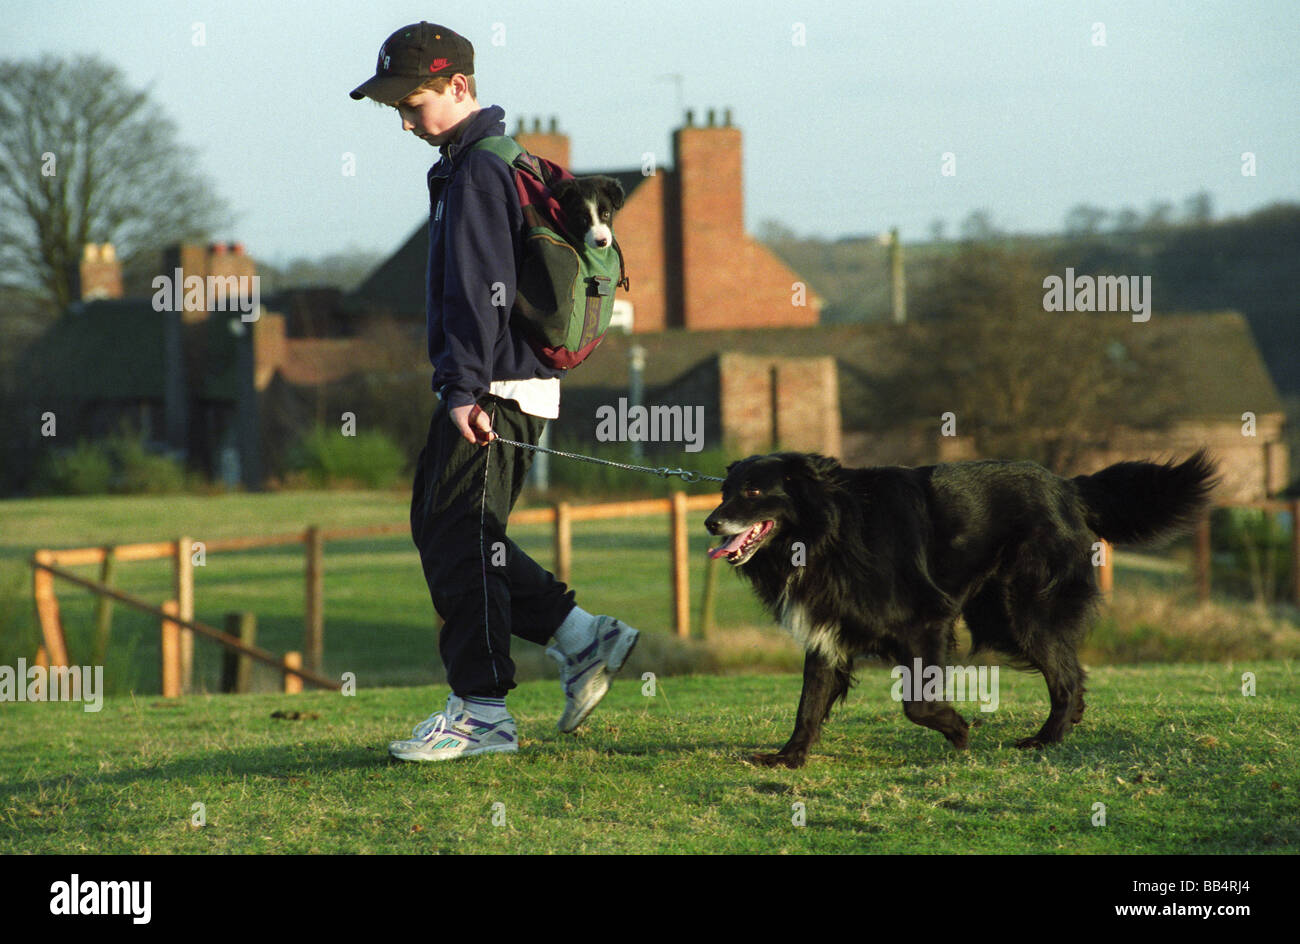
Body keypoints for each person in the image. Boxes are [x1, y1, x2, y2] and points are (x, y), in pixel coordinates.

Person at [349, 22, 640, 761]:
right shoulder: (483, 162)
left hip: (493, 389)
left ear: (459, 86)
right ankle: (584, 637)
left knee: (460, 542)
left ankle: (482, 712)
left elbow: (482, 291)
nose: (405, 119)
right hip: (501, 383)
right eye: (396, 107)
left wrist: (462, 388)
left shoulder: (479, 169)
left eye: (413, 101)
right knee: (447, 525)